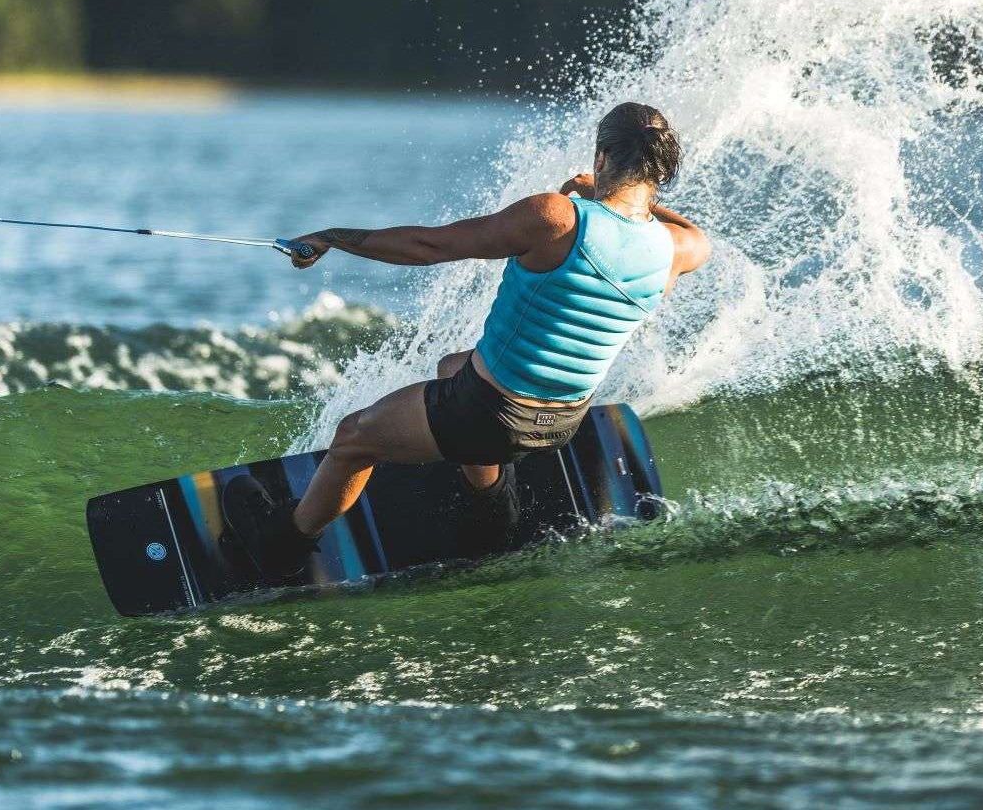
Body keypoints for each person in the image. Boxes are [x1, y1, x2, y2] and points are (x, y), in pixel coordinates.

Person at [222, 101, 711, 579]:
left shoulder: (559, 216)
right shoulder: (678, 249)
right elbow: (691, 230)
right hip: (564, 419)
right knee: (453, 366)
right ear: (659, 172)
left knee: (352, 439)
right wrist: (633, 197)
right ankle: (492, 508)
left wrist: (332, 236)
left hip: (493, 414)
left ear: (600, 158)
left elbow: (430, 246)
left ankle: (282, 542)